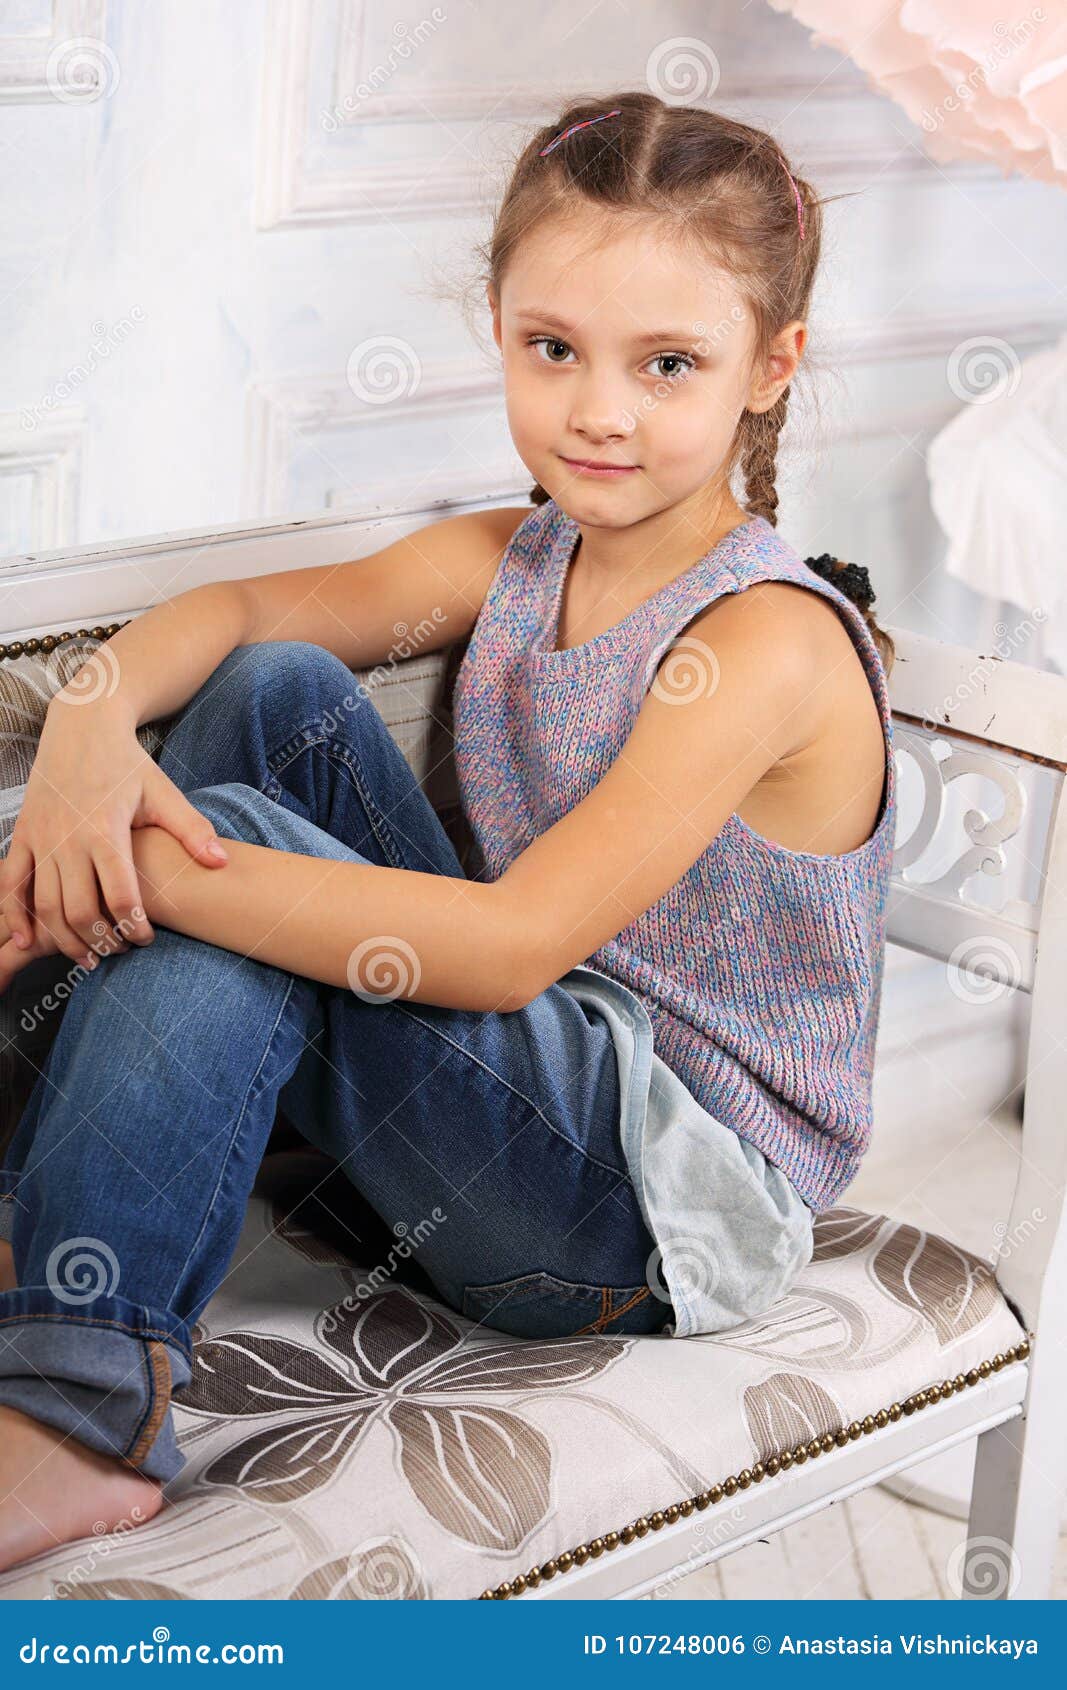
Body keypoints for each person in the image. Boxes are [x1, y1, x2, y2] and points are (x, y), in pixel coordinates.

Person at [0, 91, 896, 1571]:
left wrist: (147, 859)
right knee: (276, 694)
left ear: (769, 367)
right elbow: (239, 617)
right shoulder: (517, 551)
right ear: (498, 326)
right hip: (515, 1096)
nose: (598, 409)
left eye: (667, 363)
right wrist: (93, 725)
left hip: (654, 1205)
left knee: (229, 852)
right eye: (555, 349)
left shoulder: (767, 644)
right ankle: (45, 1227)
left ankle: (74, 1405)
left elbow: (510, 948)